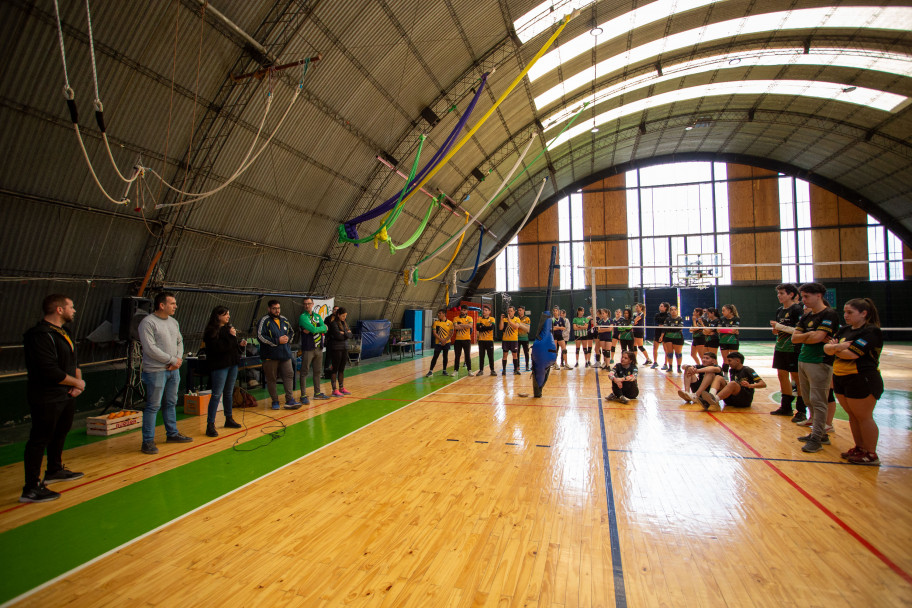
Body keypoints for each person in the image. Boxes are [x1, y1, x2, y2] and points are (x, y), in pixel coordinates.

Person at [20, 294, 85, 503]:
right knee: (39, 439)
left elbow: (74, 361)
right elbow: (49, 370)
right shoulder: (38, 335)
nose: (74, 310)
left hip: (66, 395)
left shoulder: (64, 332)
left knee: (60, 433)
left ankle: (54, 470)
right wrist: (75, 383)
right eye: (71, 307)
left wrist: (78, 384)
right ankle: (31, 488)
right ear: (59, 310)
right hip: (46, 397)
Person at [825, 298, 884, 465]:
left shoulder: (871, 332)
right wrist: (837, 348)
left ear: (864, 313)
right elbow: (826, 348)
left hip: (862, 378)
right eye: (845, 312)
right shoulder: (844, 330)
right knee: (853, 415)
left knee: (864, 417)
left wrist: (834, 349)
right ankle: (860, 447)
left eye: (850, 312)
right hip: (841, 377)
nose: (845, 315)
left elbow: (852, 354)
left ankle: (871, 453)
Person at [138, 292, 192, 455]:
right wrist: (171, 360)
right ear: (162, 305)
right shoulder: (147, 323)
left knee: (171, 403)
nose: (175, 306)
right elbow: (150, 348)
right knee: (153, 406)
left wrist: (177, 359)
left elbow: (179, 341)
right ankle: (147, 441)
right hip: (156, 371)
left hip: (173, 370)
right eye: (172, 303)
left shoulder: (174, 322)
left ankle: (172, 433)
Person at [791, 282, 840, 453]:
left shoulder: (829, 314)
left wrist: (809, 336)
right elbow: (794, 339)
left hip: (820, 361)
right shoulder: (806, 317)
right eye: (802, 296)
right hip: (803, 359)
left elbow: (819, 337)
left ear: (819, 295)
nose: (803, 300)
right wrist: (809, 335)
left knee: (819, 400)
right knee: (808, 399)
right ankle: (819, 434)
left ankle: (817, 438)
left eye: (806, 296)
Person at [202, 306, 245, 437]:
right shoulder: (211, 332)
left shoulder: (228, 329)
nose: (228, 316)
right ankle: (210, 424)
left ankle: (229, 418)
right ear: (218, 316)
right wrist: (231, 337)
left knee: (228, 392)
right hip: (220, 366)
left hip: (232, 364)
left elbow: (232, 347)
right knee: (216, 394)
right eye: (226, 314)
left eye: (229, 314)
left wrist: (240, 346)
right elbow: (219, 348)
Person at [769, 283, 805, 418]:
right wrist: (776, 329)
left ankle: (801, 410)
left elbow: (798, 330)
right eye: (778, 293)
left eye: (782, 293)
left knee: (796, 378)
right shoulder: (779, 310)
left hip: (793, 348)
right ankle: (786, 407)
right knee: (782, 375)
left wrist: (779, 326)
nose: (779, 296)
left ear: (791, 294)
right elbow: (779, 330)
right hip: (780, 347)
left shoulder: (797, 310)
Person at [257, 300, 301, 410]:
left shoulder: (284, 320)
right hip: (270, 356)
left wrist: (287, 339)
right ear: (269, 309)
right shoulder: (264, 321)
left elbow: (291, 332)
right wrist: (277, 340)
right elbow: (260, 336)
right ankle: (275, 400)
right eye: (274, 308)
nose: (277, 311)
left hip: (285, 354)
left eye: (278, 308)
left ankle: (289, 399)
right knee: (272, 378)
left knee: (289, 375)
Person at [698, 351, 766, 411]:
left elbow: (763, 384)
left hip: (743, 401)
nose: (728, 363)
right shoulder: (732, 370)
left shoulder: (748, 370)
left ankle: (712, 400)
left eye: (730, 361)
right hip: (731, 400)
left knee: (732, 383)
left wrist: (750, 385)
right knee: (718, 377)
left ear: (737, 361)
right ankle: (711, 397)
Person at [299, 297, 330, 404]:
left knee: (317, 371)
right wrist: (321, 328)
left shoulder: (317, 316)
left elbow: (324, 329)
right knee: (304, 372)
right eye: (305, 304)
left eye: (309, 303)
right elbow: (317, 328)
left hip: (319, 348)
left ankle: (317, 393)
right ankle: (303, 395)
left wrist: (318, 328)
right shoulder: (303, 317)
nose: (307, 305)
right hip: (308, 348)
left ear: (313, 304)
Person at [327, 307, 353, 396]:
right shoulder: (334, 323)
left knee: (342, 369)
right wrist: (346, 333)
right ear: (338, 315)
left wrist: (344, 333)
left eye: (345, 316)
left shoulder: (345, 323)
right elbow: (338, 336)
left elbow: (350, 335)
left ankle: (341, 387)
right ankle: (334, 389)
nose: (344, 317)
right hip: (336, 348)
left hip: (344, 347)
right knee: (335, 369)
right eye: (343, 316)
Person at [499, 306, 526, 375]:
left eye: (511, 311)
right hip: (505, 340)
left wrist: (509, 320)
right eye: (508, 311)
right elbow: (501, 328)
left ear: (514, 312)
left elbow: (516, 327)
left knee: (515, 355)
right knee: (505, 355)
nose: (509, 312)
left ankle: (515, 370)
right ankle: (504, 370)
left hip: (513, 340)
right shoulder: (504, 319)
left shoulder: (517, 319)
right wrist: (501, 319)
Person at [427, 309, 453, 377]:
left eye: (440, 313)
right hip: (438, 342)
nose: (438, 315)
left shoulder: (450, 323)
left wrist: (445, 340)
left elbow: (451, 333)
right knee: (435, 356)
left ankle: (444, 370)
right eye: (438, 313)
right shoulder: (436, 323)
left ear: (444, 314)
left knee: (445, 356)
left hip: (446, 342)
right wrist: (441, 340)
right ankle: (430, 371)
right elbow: (434, 333)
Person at [452, 304, 474, 376]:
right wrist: (465, 325)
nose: (462, 311)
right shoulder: (456, 318)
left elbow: (470, 326)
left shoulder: (470, 318)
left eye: (464, 310)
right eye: (461, 310)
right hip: (458, 340)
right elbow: (455, 327)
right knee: (457, 355)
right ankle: (455, 370)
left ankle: (469, 370)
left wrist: (460, 325)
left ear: (467, 311)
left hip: (467, 339)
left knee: (467, 355)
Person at [475, 305, 497, 376]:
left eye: (486, 310)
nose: (484, 311)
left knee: (490, 356)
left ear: (489, 312)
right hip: (481, 341)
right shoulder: (479, 319)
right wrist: (486, 326)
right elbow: (478, 328)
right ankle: (481, 370)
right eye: (483, 310)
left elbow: (491, 328)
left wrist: (483, 326)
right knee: (481, 356)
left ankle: (492, 370)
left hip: (489, 340)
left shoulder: (492, 319)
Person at [719, 304, 741, 374]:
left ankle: (734, 375)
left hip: (733, 341)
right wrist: (730, 330)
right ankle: (725, 376)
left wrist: (724, 330)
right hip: (723, 341)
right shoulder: (721, 319)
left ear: (729, 311)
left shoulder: (736, 319)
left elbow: (734, 330)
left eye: (723, 310)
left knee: (734, 359)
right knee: (725, 359)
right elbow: (718, 330)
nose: (722, 312)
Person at [662, 306, 685, 373]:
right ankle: (670, 367)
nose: (673, 311)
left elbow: (680, 327)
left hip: (678, 337)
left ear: (677, 311)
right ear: (670, 311)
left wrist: (672, 328)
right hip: (668, 337)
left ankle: (679, 367)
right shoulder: (667, 319)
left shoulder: (680, 319)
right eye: (671, 310)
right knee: (669, 353)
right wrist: (674, 328)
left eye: (675, 310)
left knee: (678, 353)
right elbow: (666, 327)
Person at [652, 302, 670, 369]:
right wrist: (661, 324)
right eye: (660, 306)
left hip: (665, 332)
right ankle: (655, 362)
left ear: (665, 308)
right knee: (655, 348)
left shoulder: (668, 316)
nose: (660, 307)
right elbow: (657, 322)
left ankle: (666, 364)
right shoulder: (657, 315)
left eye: (661, 306)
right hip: (657, 332)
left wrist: (662, 325)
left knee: (666, 349)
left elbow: (665, 323)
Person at [550, 306, 568, 371]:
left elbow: (564, 328)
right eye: (554, 311)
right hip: (554, 336)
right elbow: (552, 328)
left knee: (564, 349)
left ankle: (566, 364)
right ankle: (555, 364)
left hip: (560, 335)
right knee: (555, 350)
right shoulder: (552, 319)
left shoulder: (561, 319)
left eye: (556, 311)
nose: (555, 312)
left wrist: (557, 327)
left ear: (558, 311)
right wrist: (559, 327)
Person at [517, 306, 532, 371]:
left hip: (525, 338)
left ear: (523, 310)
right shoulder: (516, 318)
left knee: (526, 352)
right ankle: (517, 366)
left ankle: (527, 366)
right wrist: (523, 325)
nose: (519, 312)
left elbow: (527, 329)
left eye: (520, 310)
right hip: (517, 338)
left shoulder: (527, 319)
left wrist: (519, 324)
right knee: (517, 353)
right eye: (518, 310)